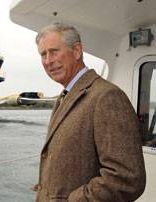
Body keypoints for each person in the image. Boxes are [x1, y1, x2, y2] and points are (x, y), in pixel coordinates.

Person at [34, 23, 146, 201]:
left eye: (54, 51)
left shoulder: (106, 96)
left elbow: (126, 178)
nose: (48, 61)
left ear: (77, 51)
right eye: (43, 54)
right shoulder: (66, 95)